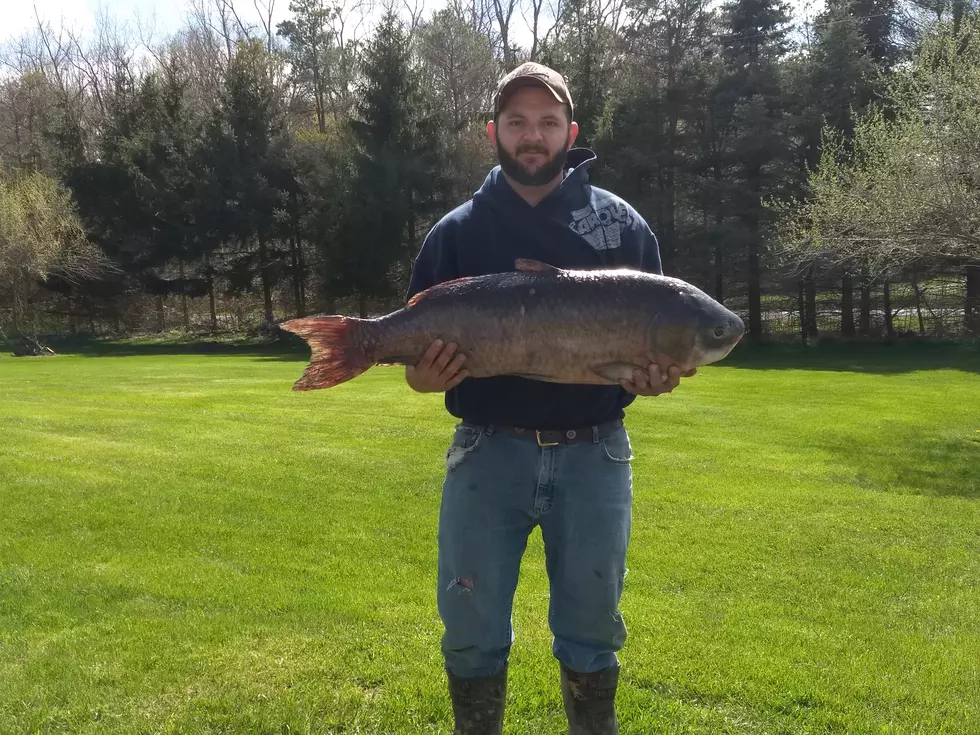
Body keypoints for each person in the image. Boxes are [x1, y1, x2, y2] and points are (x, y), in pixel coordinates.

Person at [405, 62, 694, 734]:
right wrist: (425, 376)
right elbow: (416, 364)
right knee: (471, 625)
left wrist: (651, 379)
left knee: (593, 625)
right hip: (485, 453)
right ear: (493, 131)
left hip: (595, 456)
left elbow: (647, 351)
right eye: (516, 123)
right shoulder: (456, 233)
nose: (531, 136)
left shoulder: (622, 228)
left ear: (571, 130)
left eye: (545, 122)